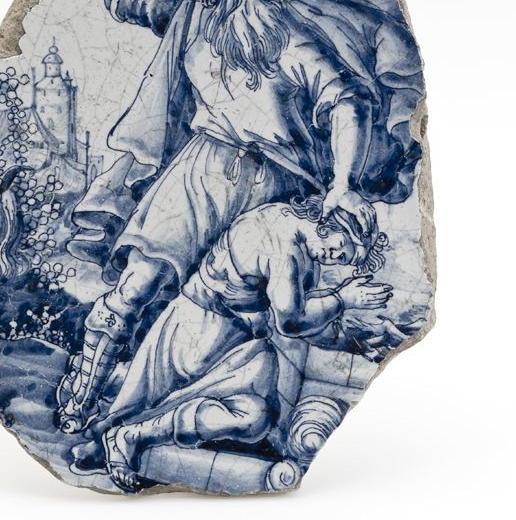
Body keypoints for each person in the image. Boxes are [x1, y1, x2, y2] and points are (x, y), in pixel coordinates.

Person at [60, 0, 422, 432]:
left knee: (244, 312)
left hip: (276, 187)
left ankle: (187, 419)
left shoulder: (288, 34)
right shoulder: (191, 20)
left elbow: (347, 100)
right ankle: (83, 398)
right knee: (136, 287)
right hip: (200, 173)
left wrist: (344, 184)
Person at [95, 197, 390, 492]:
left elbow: (294, 315)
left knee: (254, 416)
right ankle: (131, 434)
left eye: (341, 260)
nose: (333, 256)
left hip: (232, 341)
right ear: (333, 224)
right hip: (202, 335)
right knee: (251, 417)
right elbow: (290, 321)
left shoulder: (291, 226)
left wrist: (352, 338)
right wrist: (342, 299)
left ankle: (131, 429)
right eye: (341, 248)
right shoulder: (285, 245)